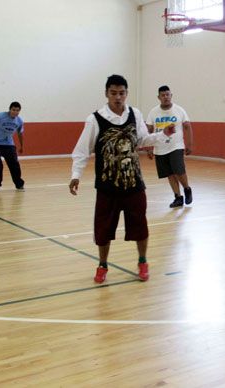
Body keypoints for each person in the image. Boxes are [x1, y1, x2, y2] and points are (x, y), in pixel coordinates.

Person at [69, 75, 175, 284]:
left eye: (122, 93)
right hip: (107, 186)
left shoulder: (135, 114)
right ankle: (102, 264)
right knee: (103, 229)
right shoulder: (95, 119)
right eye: (113, 93)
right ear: (106, 93)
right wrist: (76, 175)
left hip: (134, 183)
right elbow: (82, 150)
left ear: (126, 93)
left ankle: (143, 261)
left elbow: (142, 139)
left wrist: (162, 134)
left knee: (140, 225)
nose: (118, 97)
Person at [146, 85, 194, 208]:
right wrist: (148, 147)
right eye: (163, 95)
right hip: (160, 148)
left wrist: (189, 144)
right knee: (169, 173)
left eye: (168, 94)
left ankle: (187, 189)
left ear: (171, 95)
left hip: (176, 146)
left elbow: (187, 126)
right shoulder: (153, 112)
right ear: (159, 97)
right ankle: (178, 197)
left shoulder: (179, 110)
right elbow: (149, 129)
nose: (166, 97)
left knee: (178, 170)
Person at [0, 101, 25, 190]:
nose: (15, 112)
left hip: (9, 144)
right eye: (13, 110)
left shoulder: (19, 121)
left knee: (14, 164)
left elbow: (20, 133)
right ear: (9, 109)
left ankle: (19, 184)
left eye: (17, 110)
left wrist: (22, 146)